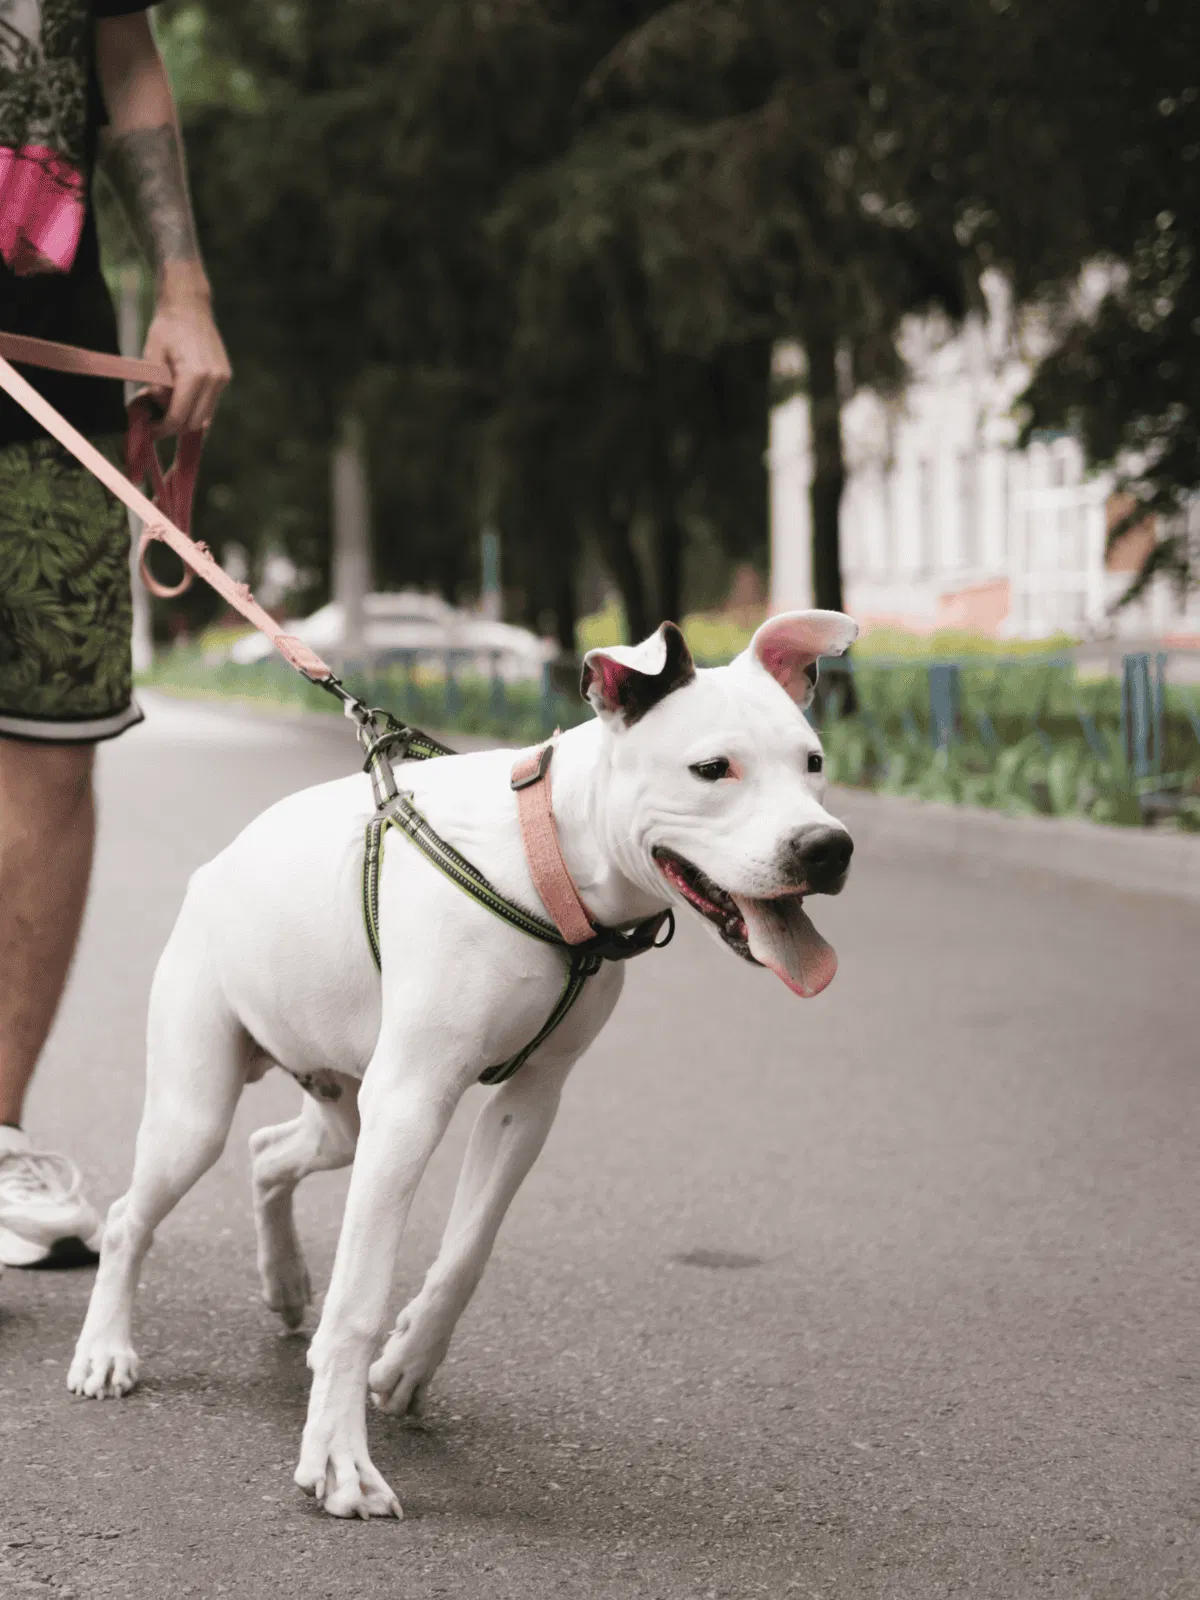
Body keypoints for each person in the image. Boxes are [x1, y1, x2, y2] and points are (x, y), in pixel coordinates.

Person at [0, 2, 229, 1271]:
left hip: (56, 367)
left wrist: (183, 285)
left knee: (49, 740)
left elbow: (124, 49)